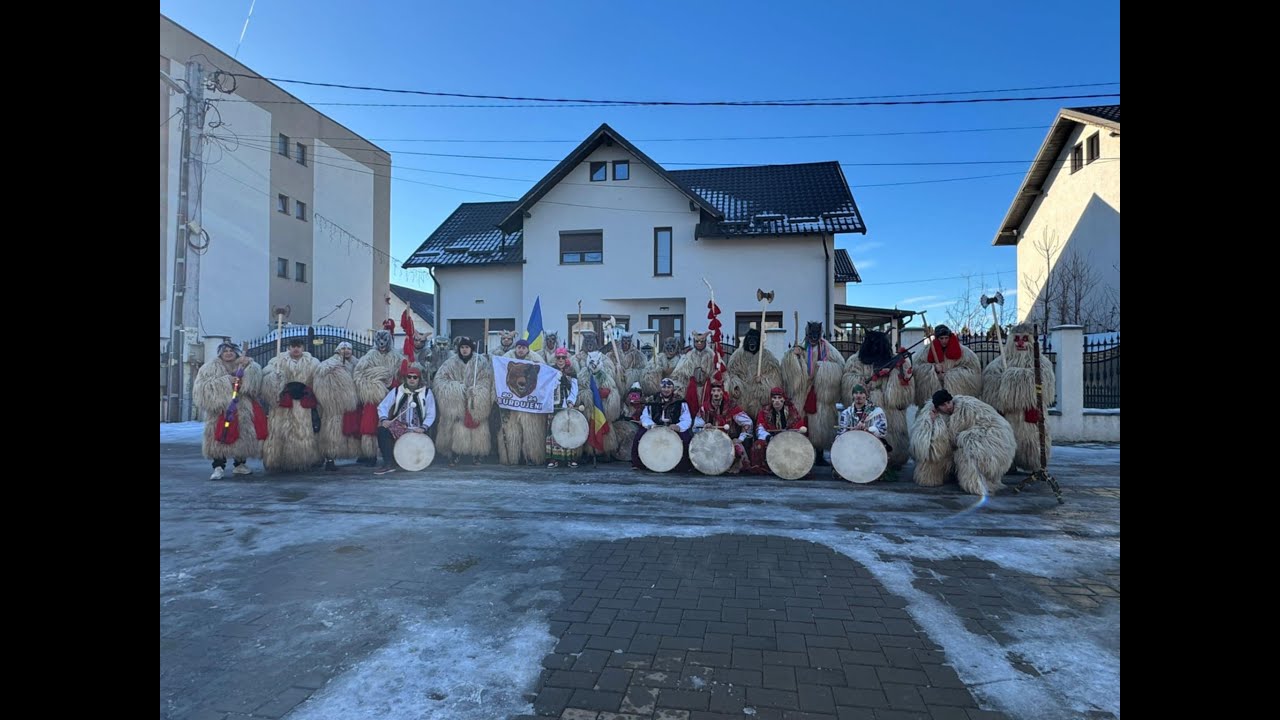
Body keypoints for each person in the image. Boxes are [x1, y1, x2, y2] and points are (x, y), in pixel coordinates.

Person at [909, 389, 1016, 496]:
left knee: (967, 448)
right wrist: (932, 421)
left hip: (990, 437)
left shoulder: (967, 407)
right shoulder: (935, 415)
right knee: (934, 462)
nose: (948, 406)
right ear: (937, 408)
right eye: (943, 405)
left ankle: (976, 480)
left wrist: (964, 438)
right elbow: (928, 442)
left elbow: (989, 422)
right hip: (966, 439)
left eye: (949, 402)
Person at [981, 323, 1056, 472]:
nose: (1020, 343)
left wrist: (1010, 380)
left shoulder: (1042, 363)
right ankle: (1008, 464)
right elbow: (989, 389)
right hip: (1007, 417)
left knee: (1032, 443)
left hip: (1030, 417)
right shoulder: (997, 364)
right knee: (1006, 441)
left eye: (1025, 339)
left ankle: (1036, 465)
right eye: (1016, 339)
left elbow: (1044, 389)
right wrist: (1006, 393)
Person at [841, 329, 913, 470]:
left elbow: (906, 385)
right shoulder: (855, 362)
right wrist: (867, 383)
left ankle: (893, 459)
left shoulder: (896, 361)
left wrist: (890, 377)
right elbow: (849, 380)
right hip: (867, 408)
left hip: (890, 407)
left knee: (892, 432)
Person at [193, 341, 264, 479]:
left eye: (231, 350)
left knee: (241, 434)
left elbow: (254, 385)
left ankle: (240, 464)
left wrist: (250, 367)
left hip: (241, 408)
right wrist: (226, 381)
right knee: (219, 437)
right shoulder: (209, 368)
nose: (228, 353)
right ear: (220, 353)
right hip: (220, 409)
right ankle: (218, 466)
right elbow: (201, 387)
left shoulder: (244, 364)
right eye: (225, 351)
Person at [780, 321, 845, 466]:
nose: (813, 338)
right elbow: (786, 366)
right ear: (807, 334)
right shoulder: (801, 348)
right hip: (802, 392)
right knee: (802, 422)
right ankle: (801, 452)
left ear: (820, 334)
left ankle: (819, 454)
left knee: (820, 424)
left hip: (820, 392)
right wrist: (793, 357)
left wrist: (824, 368)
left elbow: (840, 367)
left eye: (816, 335)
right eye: (811, 335)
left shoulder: (829, 350)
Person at [262, 336, 323, 472]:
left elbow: (319, 378)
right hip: (283, 402)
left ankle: (305, 459)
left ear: (303, 348)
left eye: (299, 346)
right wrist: (275, 377)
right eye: (293, 346)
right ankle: (279, 460)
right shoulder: (276, 361)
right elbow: (266, 375)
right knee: (281, 430)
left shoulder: (313, 363)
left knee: (304, 431)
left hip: (303, 403)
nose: (296, 349)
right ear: (288, 348)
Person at [432, 336, 494, 467]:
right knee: (457, 427)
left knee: (478, 427)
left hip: (475, 401)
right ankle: (455, 454)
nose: (464, 350)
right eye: (462, 347)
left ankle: (477, 454)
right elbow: (439, 380)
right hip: (457, 402)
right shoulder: (450, 363)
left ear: (471, 348)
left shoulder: (481, 362)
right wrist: (457, 388)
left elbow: (487, 380)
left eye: (467, 347)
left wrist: (477, 391)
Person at [354, 323, 404, 465]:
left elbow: (403, 373)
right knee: (369, 424)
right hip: (374, 395)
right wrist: (373, 385)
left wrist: (395, 382)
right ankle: (370, 454)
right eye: (380, 342)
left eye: (385, 342)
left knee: (393, 424)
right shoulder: (369, 356)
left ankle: (393, 454)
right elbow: (359, 373)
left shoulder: (397, 357)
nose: (382, 345)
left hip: (392, 395)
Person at [373, 366, 437, 475]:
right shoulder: (397, 390)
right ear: (406, 378)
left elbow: (431, 413)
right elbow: (383, 406)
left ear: (419, 379)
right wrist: (384, 419)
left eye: (415, 377)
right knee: (382, 431)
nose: (412, 379)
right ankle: (389, 463)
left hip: (417, 429)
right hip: (399, 428)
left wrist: (423, 427)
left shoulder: (427, 392)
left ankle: (416, 462)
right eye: (409, 377)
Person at [498, 339, 547, 466]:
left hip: (529, 405)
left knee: (531, 432)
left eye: (523, 348)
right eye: (519, 347)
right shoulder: (506, 359)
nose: (521, 350)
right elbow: (499, 376)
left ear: (527, 349)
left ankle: (531, 457)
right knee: (512, 432)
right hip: (511, 403)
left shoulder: (537, 359)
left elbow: (543, 378)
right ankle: (512, 457)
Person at [314, 341, 360, 471]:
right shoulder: (330, 364)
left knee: (349, 431)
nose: (346, 351)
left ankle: (351, 453)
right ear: (338, 350)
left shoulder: (356, 364)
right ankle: (330, 458)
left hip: (350, 405)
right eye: (343, 348)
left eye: (349, 348)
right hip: (333, 407)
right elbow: (323, 379)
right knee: (331, 432)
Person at [913, 324, 983, 406]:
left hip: (955, 396)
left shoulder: (965, 353)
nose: (944, 341)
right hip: (934, 395)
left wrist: (948, 376)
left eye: (946, 338)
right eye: (941, 338)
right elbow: (917, 368)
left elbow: (973, 370)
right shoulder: (925, 352)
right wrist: (933, 368)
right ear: (937, 338)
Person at [632, 377, 693, 471]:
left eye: (669, 387)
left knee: (686, 439)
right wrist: (652, 425)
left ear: (672, 388)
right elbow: (645, 416)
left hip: (673, 428)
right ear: (660, 388)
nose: (666, 390)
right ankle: (638, 464)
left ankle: (683, 466)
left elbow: (686, 418)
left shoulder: (680, 401)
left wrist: (678, 427)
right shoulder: (652, 400)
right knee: (639, 436)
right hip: (654, 426)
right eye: (664, 387)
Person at [693, 381, 754, 474]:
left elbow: (748, 422)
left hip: (728, 440)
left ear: (722, 392)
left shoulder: (731, 406)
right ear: (711, 392)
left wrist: (740, 439)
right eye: (714, 391)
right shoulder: (704, 407)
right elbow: (695, 427)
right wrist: (704, 428)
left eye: (718, 390)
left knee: (738, 449)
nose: (716, 393)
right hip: (710, 441)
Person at [834, 384, 891, 481]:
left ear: (866, 396)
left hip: (871, 446)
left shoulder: (877, 411)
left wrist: (867, 429)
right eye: (856, 393)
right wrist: (851, 431)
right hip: (852, 446)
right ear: (853, 396)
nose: (858, 396)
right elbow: (840, 434)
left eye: (861, 393)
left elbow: (882, 430)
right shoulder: (846, 413)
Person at [725, 327, 782, 420]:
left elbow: (774, 375)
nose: (752, 341)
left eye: (755, 339)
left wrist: (763, 380)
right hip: (742, 396)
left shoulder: (767, 356)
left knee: (759, 417)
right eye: (750, 338)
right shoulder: (737, 356)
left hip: (758, 396)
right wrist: (736, 385)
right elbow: (731, 373)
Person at [749, 387, 808, 475]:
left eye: (779, 398)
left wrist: (788, 436)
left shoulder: (792, 411)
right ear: (771, 399)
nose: (777, 401)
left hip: (788, 439)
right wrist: (769, 437)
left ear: (784, 399)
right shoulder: (764, 411)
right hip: (770, 439)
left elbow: (798, 427)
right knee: (758, 445)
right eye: (774, 398)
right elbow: (759, 428)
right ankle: (765, 468)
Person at [545, 347, 581, 469]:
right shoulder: (550, 371)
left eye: (563, 357)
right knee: (554, 431)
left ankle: (570, 458)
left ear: (566, 359)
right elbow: (548, 387)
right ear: (555, 359)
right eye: (558, 357)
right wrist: (557, 379)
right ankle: (554, 458)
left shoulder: (571, 371)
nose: (560, 360)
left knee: (568, 431)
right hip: (554, 405)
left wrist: (571, 401)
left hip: (567, 405)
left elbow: (574, 388)